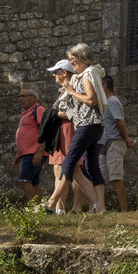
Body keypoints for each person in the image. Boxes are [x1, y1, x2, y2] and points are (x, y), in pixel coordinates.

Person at [47, 44, 107, 214]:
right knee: (92, 166)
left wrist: (72, 92)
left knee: (69, 161)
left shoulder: (87, 75)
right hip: (92, 125)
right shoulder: (85, 75)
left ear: (82, 57)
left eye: (73, 59)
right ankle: (101, 208)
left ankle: (51, 204)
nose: (71, 62)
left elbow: (91, 100)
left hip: (88, 124)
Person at [44, 61, 96, 212]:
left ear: (64, 73)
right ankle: (96, 204)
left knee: (67, 170)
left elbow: (72, 113)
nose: (54, 75)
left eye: (56, 72)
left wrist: (51, 114)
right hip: (63, 131)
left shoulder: (71, 88)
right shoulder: (65, 89)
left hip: (68, 131)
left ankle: (57, 208)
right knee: (71, 171)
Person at [100, 75, 134, 212]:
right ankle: (99, 208)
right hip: (105, 144)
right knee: (100, 179)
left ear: (104, 86)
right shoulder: (105, 102)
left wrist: (126, 139)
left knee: (115, 178)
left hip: (114, 143)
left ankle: (124, 210)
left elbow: (119, 122)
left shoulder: (112, 101)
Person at [15, 87, 47, 199]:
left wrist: (39, 152)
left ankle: (35, 210)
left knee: (24, 181)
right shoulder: (27, 112)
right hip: (29, 153)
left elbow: (45, 131)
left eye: (24, 96)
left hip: (34, 153)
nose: (20, 99)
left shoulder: (38, 109)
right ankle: (40, 211)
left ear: (34, 98)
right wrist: (19, 154)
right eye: (19, 96)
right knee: (33, 182)